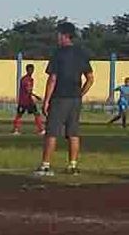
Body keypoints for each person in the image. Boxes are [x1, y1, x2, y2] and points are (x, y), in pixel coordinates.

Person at [35, 22, 94, 176]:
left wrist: (46, 100)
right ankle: (72, 165)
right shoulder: (81, 53)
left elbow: (52, 79)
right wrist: (80, 93)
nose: (57, 37)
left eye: (58, 34)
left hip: (60, 97)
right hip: (75, 99)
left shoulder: (58, 53)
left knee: (52, 132)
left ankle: (45, 165)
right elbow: (90, 78)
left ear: (64, 35)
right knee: (73, 133)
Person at [12, 63, 45, 135]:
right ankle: (16, 130)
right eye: (30, 70)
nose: (31, 71)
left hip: (28, 100)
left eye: (32, 69)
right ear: (27, 70)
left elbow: (29, 90)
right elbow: (28, 90)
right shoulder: (25, 79)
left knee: (36, 114)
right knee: (19, 115)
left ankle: (41, 129)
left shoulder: (29, 79)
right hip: (25, 100)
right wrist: (36, 96)